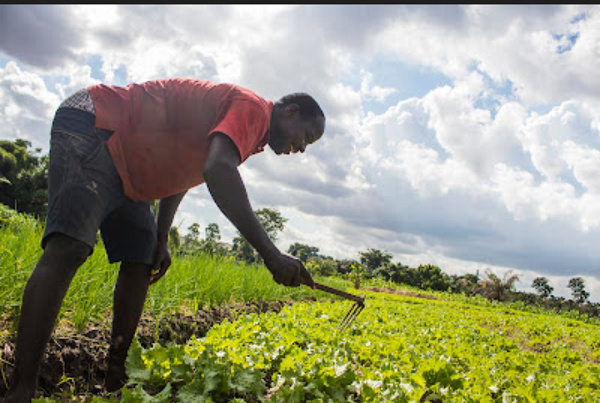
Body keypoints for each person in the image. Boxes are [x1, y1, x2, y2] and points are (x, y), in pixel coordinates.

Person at [4, 78, 325, 402]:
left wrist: (161, 237)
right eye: (306, 137)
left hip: (128, 162)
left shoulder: (249, 132)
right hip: (98, 124)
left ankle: (116, 378)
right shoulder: (253, 108)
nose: (301, 149)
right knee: (70, 246)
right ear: (291, 111)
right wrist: (271, 255)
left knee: (144, 255)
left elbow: (187, 171)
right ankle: (21, 388)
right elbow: (217, 169)